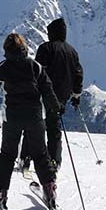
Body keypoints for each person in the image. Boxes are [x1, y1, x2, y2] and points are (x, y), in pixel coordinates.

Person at [0, 32, 60, 210]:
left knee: (7, 155)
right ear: (24, 47)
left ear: (6, 49)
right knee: (40, 154)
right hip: (35, 117)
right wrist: (56, 106)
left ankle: (0, 193)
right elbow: (47, 89)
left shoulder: (1, 68)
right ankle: (50, 189)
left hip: (12, 117)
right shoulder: (35, 66)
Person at [34, 17, 84, 168]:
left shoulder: (45, 48)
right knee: (54, 128)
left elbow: (37, 71)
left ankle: (28, 156)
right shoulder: (72, 51)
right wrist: (76, 95)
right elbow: (78, 74)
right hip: (62, 95)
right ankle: (55, 160)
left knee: (34, 125)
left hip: (44, 93)